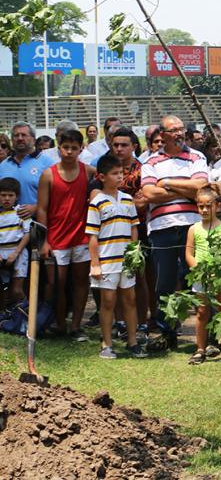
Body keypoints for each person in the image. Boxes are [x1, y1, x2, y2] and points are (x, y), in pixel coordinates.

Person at [141, 116, 209, 332]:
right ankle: (167, 331)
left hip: (193, 226)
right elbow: (150, 193)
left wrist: (167, 183)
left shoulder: (196, 156)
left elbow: (201, 186)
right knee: (165, 282)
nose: (180, 133)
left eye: (181, 129)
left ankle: (206, 333)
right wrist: (185, 189)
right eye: (174, 130)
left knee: (199, 278)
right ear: (163, 135)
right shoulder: (151, 162)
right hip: (162, 227)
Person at [86, 154, 146, 359]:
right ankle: (106, 344)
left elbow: (134, 228)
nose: (120, 176)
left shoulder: (128, 200)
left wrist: (134, 254)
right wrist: (95, 263)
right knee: (108, 301)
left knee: (130, 299)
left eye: (121, 173)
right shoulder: (97, 202)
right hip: (106, 260)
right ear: (102, 177)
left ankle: (133, 342)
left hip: (126, 260)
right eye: (114, 173)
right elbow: (92, 236)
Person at [37, 129, 95, 340]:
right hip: (56, 237)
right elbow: (42, 209)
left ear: (81, 149)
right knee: (57, 284)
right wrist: (44, 241)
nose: (69, 152)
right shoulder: (48, 174)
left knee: (81, 282)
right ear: (59, 148)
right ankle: (60, 324)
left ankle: (76, 326)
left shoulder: (89, 172)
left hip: (81, 236)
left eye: (74, 148)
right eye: (66, 147)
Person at [184, 184, 221, 364]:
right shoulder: (193, 229)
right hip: (200, 277)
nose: (204, 210)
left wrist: (220, 272)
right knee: (202, 312)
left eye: (208, 206)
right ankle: (200, 349)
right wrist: (200, 270)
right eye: (200, 206)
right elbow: (189, 254)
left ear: (218, 206)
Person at [0, 122, 55, 216]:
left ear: (33, 139)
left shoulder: (47, 163)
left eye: (24, 135)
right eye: (16, 135)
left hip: (38, 221)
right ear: (12, 140)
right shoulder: (3, 165)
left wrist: (36, 207)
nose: (20, 138)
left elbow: (57, 194)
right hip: (8, 223)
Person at [0, 177, 30, 304]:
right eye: (3, 195)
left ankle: (25, 313)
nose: (7, 198)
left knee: (17, 290)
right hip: (1, 253)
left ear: (16, 196)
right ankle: (7, 315)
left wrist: (16, 253)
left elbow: (28, 233)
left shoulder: (21, 212)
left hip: (18, 252)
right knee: (4, 290)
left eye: (10, 195)